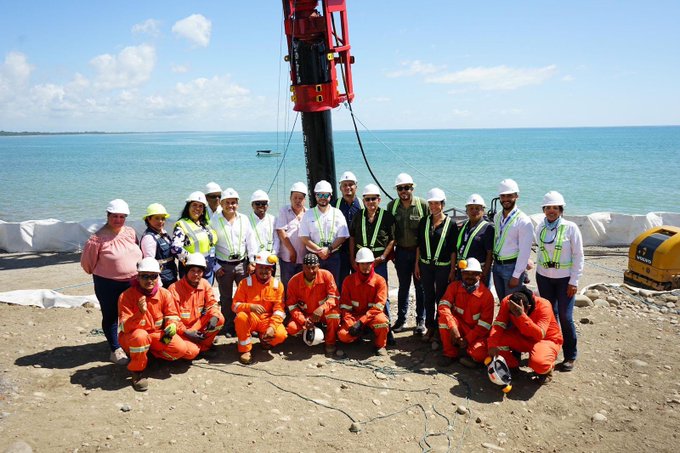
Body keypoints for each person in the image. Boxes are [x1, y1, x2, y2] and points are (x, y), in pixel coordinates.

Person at [118, 258, 199, 391]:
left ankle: (150, 356)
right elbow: (124, 327)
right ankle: (137, 372)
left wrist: (172, 324)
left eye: (153, 276)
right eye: (145, 276)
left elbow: (172, 315)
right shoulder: (126, 296)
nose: (149, 280)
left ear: (158, 277)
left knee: (184, 350)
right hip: (133, 337)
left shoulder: (164, 294)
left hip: (156, 334)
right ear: (138, 277)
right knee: (140, 336)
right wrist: (139, 313)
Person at [80, 199, 142, 366]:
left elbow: (136, 250)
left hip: (132, 282)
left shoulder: (130, 232)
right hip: (108, 284)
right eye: (115, 216)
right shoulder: (97, 239)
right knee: (111, 315)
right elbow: (87, 264)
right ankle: (115, 349)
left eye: (122, 216)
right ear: (108, 216)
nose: (118, 220)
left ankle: (130, 342)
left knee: (133, 313)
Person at [534, 191, 584, 372]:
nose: (551, 211)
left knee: (565, 316)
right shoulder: (540, 228)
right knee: (549, 317)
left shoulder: (571, 228)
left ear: (561, 209)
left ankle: (570, 356)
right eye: (548, 208)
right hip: (544, 277)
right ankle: (550, 351)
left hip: (564, 281)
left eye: (555, 208)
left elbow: (578, 256)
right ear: (544, 210)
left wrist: (574, 281)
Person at [349, 183, 396, 344]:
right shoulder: (358, 216)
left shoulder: (387, 216)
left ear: (379, 199)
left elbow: (392, 239)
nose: (370, 202)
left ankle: (387, 331)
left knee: (383, 295)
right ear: (363, 200)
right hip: (361, 262)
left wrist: (383, 256)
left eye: (373, 199)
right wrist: (352, 259)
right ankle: (364, 325)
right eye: (367, 199)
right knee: (362, 293)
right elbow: (352, 238)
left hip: (378, 261)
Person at [487, 288, 563, 384]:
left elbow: (539, 335)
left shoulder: (544, 305)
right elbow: (499, 324)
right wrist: (492, 345)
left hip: (546, 340)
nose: (514, 313)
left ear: (529, 307)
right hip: (522, 336)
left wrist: (521, 316)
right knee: (496, 340)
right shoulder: (508, 302)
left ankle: (546, 371)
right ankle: (512, 366)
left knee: (539, 363)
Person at [386, 173, 429, 335]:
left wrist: (420, 260)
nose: (403, 191)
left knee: (420, 287)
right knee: (403, 287)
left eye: (407, 188)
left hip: (418, 253)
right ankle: (401, 320)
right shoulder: (392, 206)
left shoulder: (422, 205)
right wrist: (391, 255)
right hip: (402, 253)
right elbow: (390, 233)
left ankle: (420, 320)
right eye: (400, 188)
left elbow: (426, 233)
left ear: (412, 188)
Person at [415, 188, 458, 343]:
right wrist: (417, 265)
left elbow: (453, 249)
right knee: (428, 297)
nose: (433, 206)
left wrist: (452, 270)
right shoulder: (424, 221)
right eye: (431, 203)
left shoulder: (451, 224)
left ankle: (440, 328)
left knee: (441, 298)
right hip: (425, 265)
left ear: (442, 204)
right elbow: (419, 244)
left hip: (443, 266)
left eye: (436, 203)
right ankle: (430, 327)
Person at [212, 188, 255, 337]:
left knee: (245, 296)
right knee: (225, 297)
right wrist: (215, 266)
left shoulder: (244, 219)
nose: (231, 205)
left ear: (238, 204)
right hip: (223, 265)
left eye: (234, 203)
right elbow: (211, 245)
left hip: (242, 264)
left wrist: (252, 261)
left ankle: (245, 323)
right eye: (227, 203)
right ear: (221, 203)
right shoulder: (214, 220)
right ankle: (228, 326)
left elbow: (250, 240)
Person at [437, 258, 494, 367]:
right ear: (461, 274)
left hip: (476, 333)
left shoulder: (486, 296)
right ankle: (450, 354)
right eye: (466, 273)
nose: (469, 276)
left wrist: (467, 339)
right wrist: (453, 327)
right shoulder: (454, 287)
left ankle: (468, 353)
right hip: (459, 326)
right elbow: (443, 306)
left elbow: (484, 325)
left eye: (474, 274)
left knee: (479, 354)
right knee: (443, 320)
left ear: (480, 275)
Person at [232, 252, 287, 364]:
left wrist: (271, 327)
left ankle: (265, 339)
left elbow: (279, 310)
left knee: (281, 335)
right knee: (241, 317)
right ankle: (245, 349)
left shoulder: (277, 285)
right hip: (251, 318)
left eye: (267, 268)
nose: (263, 271)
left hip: (267, 320)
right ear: (255, 268)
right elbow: (235, 306)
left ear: (272, 269)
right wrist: (250, 307)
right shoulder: (245, 283)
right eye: (261, 267)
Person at [168, 253, 225, 357]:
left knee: (219, 318)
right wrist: (186, 332)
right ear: (186, 271)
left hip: (197, 324)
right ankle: (195, 346)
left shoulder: (204, 284)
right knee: (191, 353)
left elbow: (212, 303)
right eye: (192, 271)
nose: (196, 274)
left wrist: (214, 316)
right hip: (181, 330)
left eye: (199, 271)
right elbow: (171, 318)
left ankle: (204, 348)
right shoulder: (174, 289)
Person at [337, 248, 390, 356]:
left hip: (372, 316)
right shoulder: (348, 281)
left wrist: (361, 322)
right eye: (362, 264)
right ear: (357, 264)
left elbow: (378, 307)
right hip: (354, 317)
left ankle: (380, 345)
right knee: (343, 335)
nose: (366, 266)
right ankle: (358, 335)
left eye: (368, 263)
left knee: (382, 322)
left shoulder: (380, 281)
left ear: (373, 264)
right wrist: (351, 324)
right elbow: (344, 307)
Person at [285, 253, 341, 355]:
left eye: (313, 268)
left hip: (322, 313)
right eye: (307, 268)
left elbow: (334, 297)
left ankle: (330, 342)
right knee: (292, 328)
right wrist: (303, 321)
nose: (311, 271)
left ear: (318, 266)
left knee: (334, 315)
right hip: (306, 315)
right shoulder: (294, 281)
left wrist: (322, 309)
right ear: (302, 267)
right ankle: (309, 333)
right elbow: (292, 306)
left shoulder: (326, 275)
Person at [299, 180, 349, 285]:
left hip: (333, 255)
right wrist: (319, 250)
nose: (322, 197)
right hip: (314, 256)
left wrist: (329, 250)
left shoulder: (337, 213)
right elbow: (304, 237)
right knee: (315, 284)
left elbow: (343, 236)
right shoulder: (308, 214)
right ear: (315, 196)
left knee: (333, 284)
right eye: (320, 195)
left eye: (325, 195)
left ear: (330, 196)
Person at [491, 179, 534, 301]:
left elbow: (525, 251)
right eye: (503, 196)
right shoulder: (497, 216)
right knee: (503, 303)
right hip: (497, 266)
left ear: (516, 196)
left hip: (512, 267)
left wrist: (517, 275)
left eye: (509, 195)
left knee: (512, 304)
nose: (506, 199)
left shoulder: (523, 221)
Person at [171, 191, 217, 284]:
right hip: (191, 271)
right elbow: (175, 248)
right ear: (188, 207)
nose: (197, 208)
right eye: (194, 205)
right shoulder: (182, 225)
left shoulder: (205, 224)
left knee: (206, 295)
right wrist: (192, 259)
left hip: (207, 269)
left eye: (200, 206)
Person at [456, 194, 494, 287]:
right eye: (471, 208)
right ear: (467, 210)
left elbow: (490, 253)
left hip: (478, 271)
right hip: (463, 268)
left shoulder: (488, 228)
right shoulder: (464, 225)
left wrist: (484, 273)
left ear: (483, 210)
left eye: (477, 208)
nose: (474, 211)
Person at [275, 181, 308, 291]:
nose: (298, 201)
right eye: (295, 198)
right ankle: (287, 308)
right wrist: (292, 251)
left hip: (303, 258)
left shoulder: (308, 213)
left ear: (305, 200)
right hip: (288, 258)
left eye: (300, 198)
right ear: (290, 198)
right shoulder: (284, 211)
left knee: (302, 286)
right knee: (287, 286)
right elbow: (281, 231)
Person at [335, 171, 363, 286]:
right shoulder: (334, 205)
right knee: (342, 281)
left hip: (358, 250)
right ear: (340, 188)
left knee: (359, 282)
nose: (348, 187)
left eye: (350, 184)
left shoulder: (362, 205)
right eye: (344, 185)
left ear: (356, 186)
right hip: (340, 251)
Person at [140, 203, 178, 288]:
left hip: (171, 276)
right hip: (162, 281)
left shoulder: (163, 233)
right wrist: (159, 285)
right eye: (157, 218)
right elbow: (150, 263)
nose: (160, 221)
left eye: (163, 218)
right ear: (148, 219)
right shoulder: (149, 238)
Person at [248, 189, 278, 256]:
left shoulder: (273, 219)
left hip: (270, 257)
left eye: (264, 203)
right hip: (255, 258)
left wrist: (274, 253)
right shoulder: (247, 221)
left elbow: (276, 239)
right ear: (252, 205)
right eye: (257, 203)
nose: (261, 206)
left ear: (267, 205)